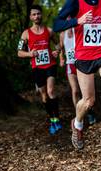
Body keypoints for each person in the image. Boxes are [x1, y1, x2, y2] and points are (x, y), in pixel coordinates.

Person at [53, 0, 101, 153]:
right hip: (84, 56)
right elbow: (57, 24)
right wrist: (78, 20)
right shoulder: (74, 3)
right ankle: (77, 124)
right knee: (89, 100)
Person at [17, 4, 62, 135]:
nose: (37, 16)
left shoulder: (49, 30)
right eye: (34, 14)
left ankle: (57, 120)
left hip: (50, 65)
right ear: (31, 17)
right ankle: (52, 120)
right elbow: (19, 52)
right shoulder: (26, 33)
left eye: (38, 14)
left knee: (51, 91)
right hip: (37, 67)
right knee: (44, 95)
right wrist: (30, 54)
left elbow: (58, 44)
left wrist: (57, 51)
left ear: (41, 15)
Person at [59, 26, 96, 125]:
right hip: (70, 65)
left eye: (72, 16)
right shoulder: (62, 35)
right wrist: (61, 58)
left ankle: (90, 112)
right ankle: (79, 116)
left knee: (87, 92)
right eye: (68, 17)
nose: (69, 18)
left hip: (82, 63)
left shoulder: (80, 29)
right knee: (75, 91)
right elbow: (61, 49)